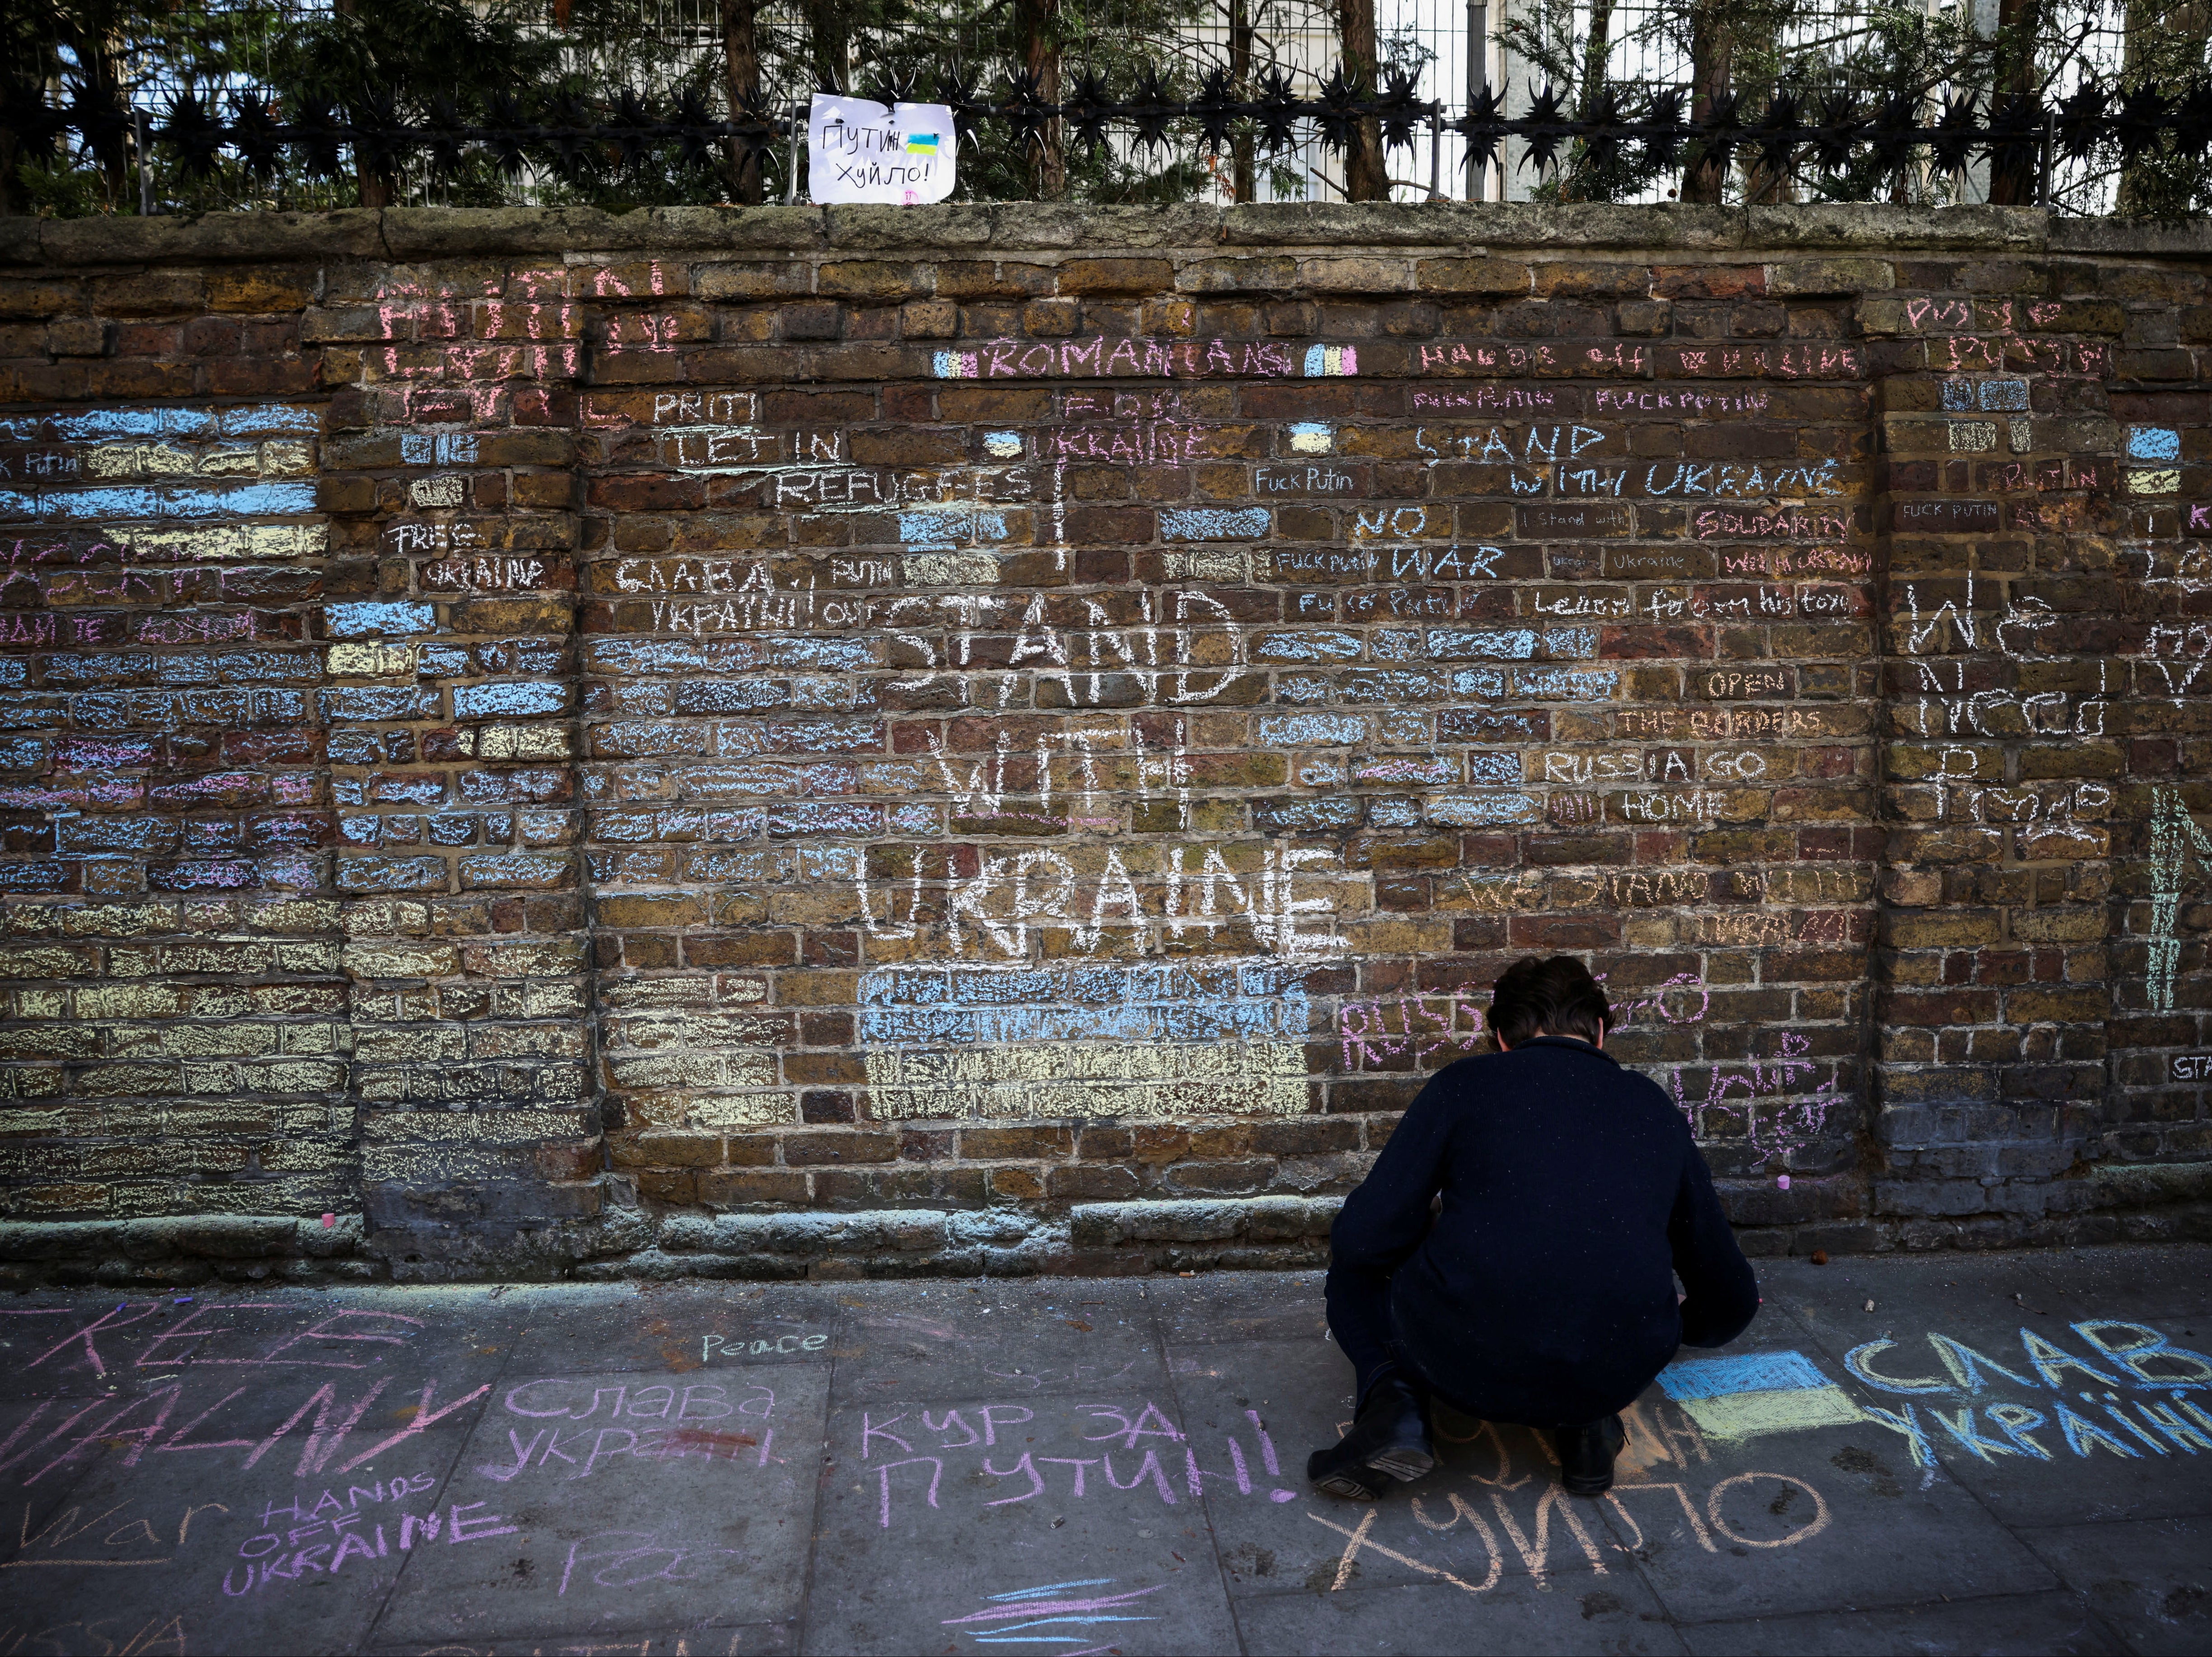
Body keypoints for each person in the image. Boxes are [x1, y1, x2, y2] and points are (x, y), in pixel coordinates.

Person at [1309, 955, 1759, 1501]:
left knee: (1353, 1277)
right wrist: (1667, 1329)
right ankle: (1587, 1427)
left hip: (1465, 1363)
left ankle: (1395, 1406)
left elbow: (1362, 1238)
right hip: (1618, 1365)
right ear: (1599, 1031)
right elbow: (1728, 1293)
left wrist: (1428, 1240)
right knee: (1590, 1291)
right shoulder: (1650, 1104)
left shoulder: (1463, 1086)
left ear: (1498, 1037)